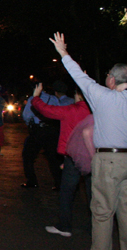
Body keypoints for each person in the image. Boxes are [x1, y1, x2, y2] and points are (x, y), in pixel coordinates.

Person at [49, 32, 127, 250]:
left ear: (113, 80)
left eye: (106, 76)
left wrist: (63, 52)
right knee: (126, 214)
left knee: (103, 213)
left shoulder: (103, 97)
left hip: (108, 160)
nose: (104, 79)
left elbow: (80, 77)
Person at [29, 82, 92, 237]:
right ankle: (96, 229)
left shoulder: (72, 110)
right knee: (94, 194)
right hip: (94, 156)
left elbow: (47, 110)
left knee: (67, 192)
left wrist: (36, 97)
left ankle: (65, 227)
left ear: (78, 96)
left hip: (74, 157)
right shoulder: (96, 110)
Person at [20, 80, 72, 188]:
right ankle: (58, 183)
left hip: (38, 130)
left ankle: (32, 181)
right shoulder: (53, 98)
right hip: (51, 130)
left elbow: (26, 116)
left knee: (28, 156)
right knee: (53, 158)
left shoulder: (32, 99)